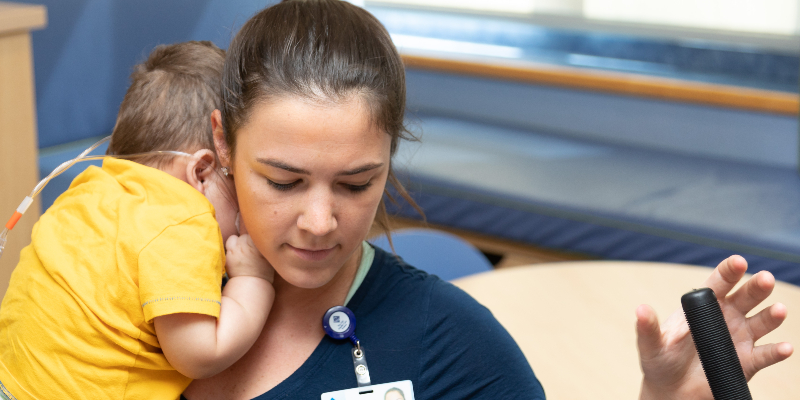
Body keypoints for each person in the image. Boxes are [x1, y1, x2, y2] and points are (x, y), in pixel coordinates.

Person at [181, 1, 792, 399]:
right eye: (284, 182)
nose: (319, 222)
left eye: (356, 184)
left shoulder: (451, 340)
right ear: (222, 144)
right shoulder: (128, 285)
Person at [0, 41, 275, 399]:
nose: (242, 218)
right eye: (238, 192)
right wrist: (254, 280)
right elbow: (201, 354)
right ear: (203, 171)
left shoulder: (87, 189)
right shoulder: (183, 218)